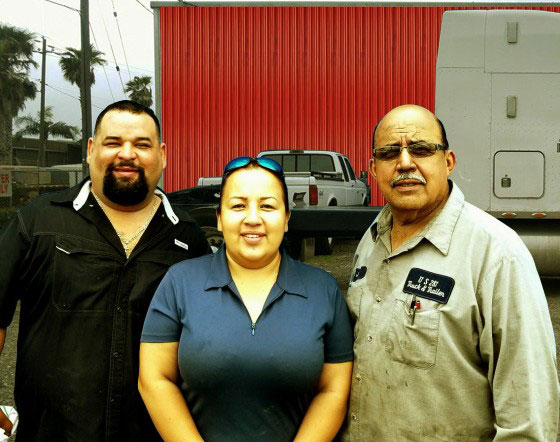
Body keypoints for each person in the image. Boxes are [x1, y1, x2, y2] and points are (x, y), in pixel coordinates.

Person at [342, 104, 559, 441]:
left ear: (448, 161)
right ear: (373, 168)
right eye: (388, 153)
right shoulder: (371, 240)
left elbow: (528, 412)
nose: (404, 163)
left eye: (421, 149)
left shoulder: (496, 254)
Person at [0, 100, 210, 440]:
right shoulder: (38, 222)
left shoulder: (187, 238)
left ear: (163, 155)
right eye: (113, 143)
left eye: (142, 144)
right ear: (91, 150)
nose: (127, 154)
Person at [139, 157, 354, 441]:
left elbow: (334, 389)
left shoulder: (322, 290)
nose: (253, 218)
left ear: (287, 219)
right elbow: (154, 379)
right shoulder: (179, 282)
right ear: (219, 217)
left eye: (267, 206)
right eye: (238, 205)